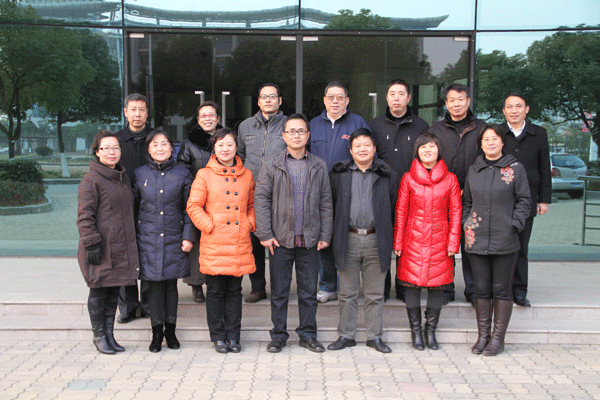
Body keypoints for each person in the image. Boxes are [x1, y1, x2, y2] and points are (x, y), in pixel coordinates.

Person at [254, 114, 333, 354]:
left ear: (308, 135)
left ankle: (308, 335)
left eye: (301, 131)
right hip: (279, 240)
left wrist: (325, 234)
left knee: (308, 293)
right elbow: (261, 199)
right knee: (279, 292)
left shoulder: (318, 165)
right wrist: (265, 233)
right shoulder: (272, 164)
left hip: (310, 240)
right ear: (284, 135)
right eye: (291, 131)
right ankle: (278, 335)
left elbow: (326, 201)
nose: (296, 135)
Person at [328, 128, 399, 354]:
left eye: (367, 145)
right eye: (357, 145)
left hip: (376, 239)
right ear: (350, 150)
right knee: (347, 293)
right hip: (347, 238)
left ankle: (374, 337)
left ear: (374, 149)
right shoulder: (339, 174)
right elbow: (331, 205)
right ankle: (346, 335)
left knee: (375, 294)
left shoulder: (387, 175)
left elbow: (394, 207)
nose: (362, 149)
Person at [463, 124, 531, 356]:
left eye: (494, 139)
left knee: (502, 290)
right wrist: (466, 223)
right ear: (481, 144)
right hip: (477, 238)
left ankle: (498, 339)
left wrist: (515, 224)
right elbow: (467, 201)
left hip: (505, 238)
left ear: (503, 142)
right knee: (481, 290)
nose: (490, 143)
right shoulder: (474, 169)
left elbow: (524, 200)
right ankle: (483, 336)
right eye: (486, 139)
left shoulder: (515, 168)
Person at [186, 128, 256, 354]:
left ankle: (234, 336)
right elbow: (193, 206)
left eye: (229, 144)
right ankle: (218, 336)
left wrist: (249, 224)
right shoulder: (204, 175)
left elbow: (251, 206)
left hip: (238, 241)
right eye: (220, 145)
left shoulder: (247, 175)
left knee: (235, 292)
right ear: (214, 148)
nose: (225, 149)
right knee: (215, 291)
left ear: (236, 148)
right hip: (214, 242)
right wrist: (210, 225)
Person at [393, 134, 462, 351]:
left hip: (440, 240)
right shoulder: (408, 178)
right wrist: (398, 242)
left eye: (432, 146)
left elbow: (456, 213)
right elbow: (401, 211)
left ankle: (430, 331)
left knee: (437, 287)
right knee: (411, 286)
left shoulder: (451, 179)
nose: (427, 150)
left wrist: (453, 243)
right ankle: (416, 332)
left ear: (439, 151)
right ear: (417, 151)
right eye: (423, 147)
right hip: (413, 239)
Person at [77, 130, 139, 354]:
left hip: (119, 246)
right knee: (98, 292)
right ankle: (99, 336)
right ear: (97, 152)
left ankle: (109, 335)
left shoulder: (121, 177)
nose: (111, 152)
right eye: (106, 148)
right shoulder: (91, 180)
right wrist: (91, 242)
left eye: (116, 148)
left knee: (113, 292)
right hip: (99, 248)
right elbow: (84, 216)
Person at [133, 130, 196, 353]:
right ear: (148, 149)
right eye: (155, 145)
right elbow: (134, 208)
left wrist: (188, 236)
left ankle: (171, 331)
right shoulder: (140, 174)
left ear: (172, 148)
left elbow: (190, 208)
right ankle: (156, 333)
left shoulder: (183, 173)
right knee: (154, 286)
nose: (160, 148)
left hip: (174, 237)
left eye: (164, 144)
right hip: (148, 238)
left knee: (171, 285)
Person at [368, 78, 429, 302]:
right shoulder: (374, 125)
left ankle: (404, 287)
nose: (396, 98)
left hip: (412, 193)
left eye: (401, 94)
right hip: (382, 191)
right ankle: (382, 289)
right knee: (382, 242)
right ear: (386, 97)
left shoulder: (421, 126)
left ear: (408, 97)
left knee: (409, 242)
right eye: (392, 94)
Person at [309, 81, 369, 304]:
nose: (335, 101)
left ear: (347, 100)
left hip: (349, 191)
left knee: (347, 240)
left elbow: (368, 153)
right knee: (324, 239)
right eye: (331, 97)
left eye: (340, 97)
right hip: (318, 192)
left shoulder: (357, 123)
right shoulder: (313, 125)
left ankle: (347, 287)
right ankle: (327, 286)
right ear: (325, 100)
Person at [428, 84, 486, 305]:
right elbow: (430, 160)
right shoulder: (436, 130)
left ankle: (473, 291)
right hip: (443, 196)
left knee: (471, 245)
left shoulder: (482, 129)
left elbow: (487, 161)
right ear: (446, 103)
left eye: (461, 99)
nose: (456, 104)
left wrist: (470, 186)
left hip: (475, 197)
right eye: (452, 100)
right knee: (444, 246)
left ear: (468, 101)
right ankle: (445, 289)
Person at [237, 83, 287, 303]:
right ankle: (258, 287)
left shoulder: (289, 125)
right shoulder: (245, 126)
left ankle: (280, 288)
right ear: (258, 101)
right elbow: (239, 156)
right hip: (252, 193)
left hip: (282, 191)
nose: (268, 100)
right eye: (264, 97)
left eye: (272, 96)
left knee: (280, 242)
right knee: (254, 241)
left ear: (279, 100)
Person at [500, 93, 551, 307]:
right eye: (510, 107)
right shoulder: (496, 132)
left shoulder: (539, 133)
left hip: (527, 198)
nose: (514, 110)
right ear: (504, 111)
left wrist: (544, 199)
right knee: (501, 246)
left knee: (521, 247)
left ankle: (520, 290)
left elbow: (544, 167)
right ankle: (502, 290)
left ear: (527, 109)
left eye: (518, 106)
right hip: (500, 198)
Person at [178, 100, 223, 304]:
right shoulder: (189, 143)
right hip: (197, 197)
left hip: (222, 198)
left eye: (211, 115)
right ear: (198, 119)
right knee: (195, 243)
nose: (207, 119)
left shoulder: (226, 138)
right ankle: (196, 284)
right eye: (203, 115)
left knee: (217, 242)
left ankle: (216, 282)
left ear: (218, 118)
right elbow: (182, 169)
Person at [115, 93, 153, 323]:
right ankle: (127, 307)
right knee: (125, 256)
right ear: (125, 112)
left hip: (152, 206)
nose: (137, 114)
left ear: (147, 113)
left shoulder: (156, 138)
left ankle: (148, 305)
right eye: (133, 109)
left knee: (149, 254)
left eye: (141, 110)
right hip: (123, 206)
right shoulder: (116, 140)